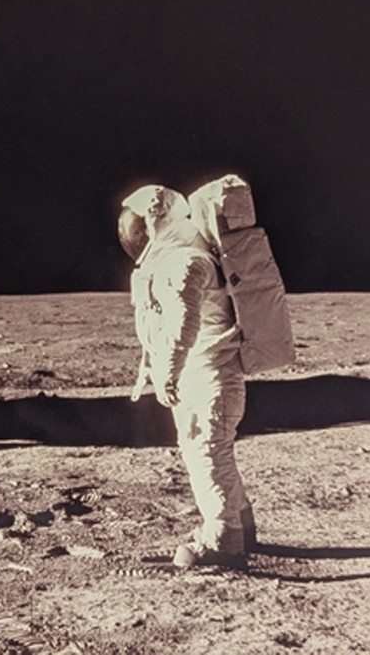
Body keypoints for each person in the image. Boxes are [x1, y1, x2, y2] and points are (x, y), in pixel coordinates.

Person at [118, 183, 255, 570]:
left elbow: (183, 323)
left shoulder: (183, 263)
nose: (132, 234)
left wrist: (169, 369)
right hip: (208, 373)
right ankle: (241, 522)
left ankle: (224, 538)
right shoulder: (184, 258)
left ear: (154, 224)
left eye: (138, 226)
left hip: (209, 376)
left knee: (206, 453)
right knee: (213, 452)